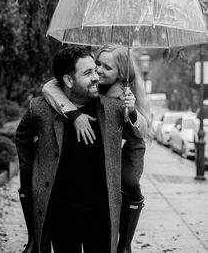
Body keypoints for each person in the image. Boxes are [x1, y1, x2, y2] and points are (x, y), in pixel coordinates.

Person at [16, 45, 148, 253]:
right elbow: (21, 138)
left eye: (98, 70)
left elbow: (138, 140)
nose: (97, 76)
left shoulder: (114, 107)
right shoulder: (41, 108)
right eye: (90, 71)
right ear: (68, 80)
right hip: (61, 214)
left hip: (101, 216)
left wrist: (126, 177)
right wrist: (31, 173)